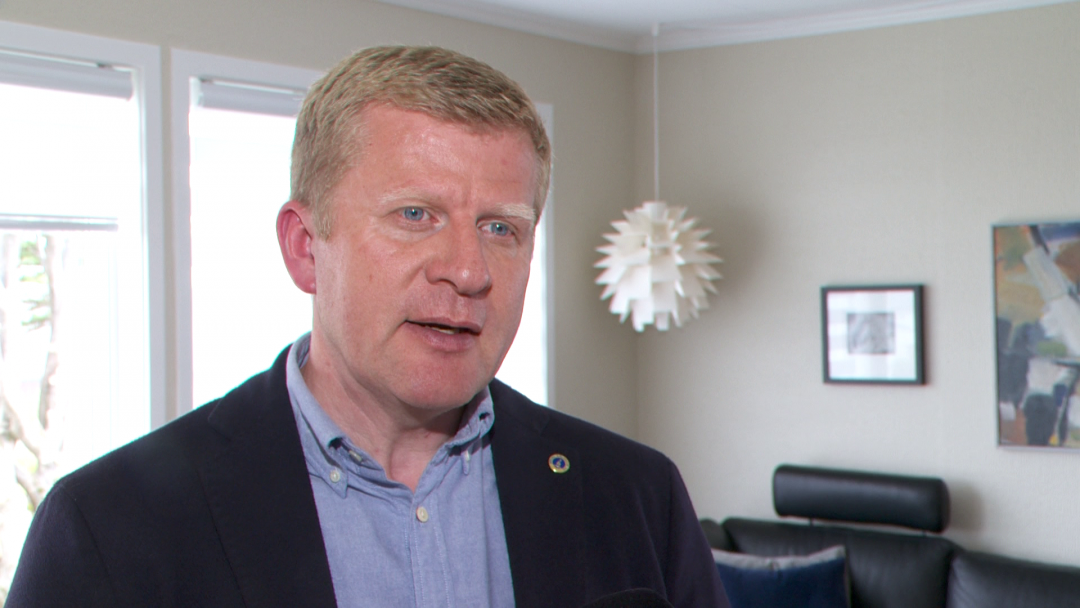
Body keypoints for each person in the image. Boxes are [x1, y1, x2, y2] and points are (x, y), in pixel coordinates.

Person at [8, 46, 727, 608]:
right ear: (305, 248)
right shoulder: (108, 526)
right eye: (416, 215)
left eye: (501, 227)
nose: (468, 270)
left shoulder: (637, 496)